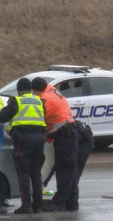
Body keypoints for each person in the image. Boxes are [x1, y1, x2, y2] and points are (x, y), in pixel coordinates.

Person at [0, 78, 46, 214]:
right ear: (30, 89)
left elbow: (0, 117)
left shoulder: (16, 101)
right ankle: (38, 206)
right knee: (36, 173)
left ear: (18, 90)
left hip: (23, 139)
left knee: (23, 173)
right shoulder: (40, 101)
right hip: (39, 139)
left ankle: (26, 206)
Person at [31, 77, 78, 212]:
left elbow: (39, 117)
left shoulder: (46, 99)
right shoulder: (53, 91)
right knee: (70, 171)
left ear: (36, 90)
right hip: (67, 133)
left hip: (65, 135)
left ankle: (60, 203)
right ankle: (72, 202)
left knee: (64, 171)